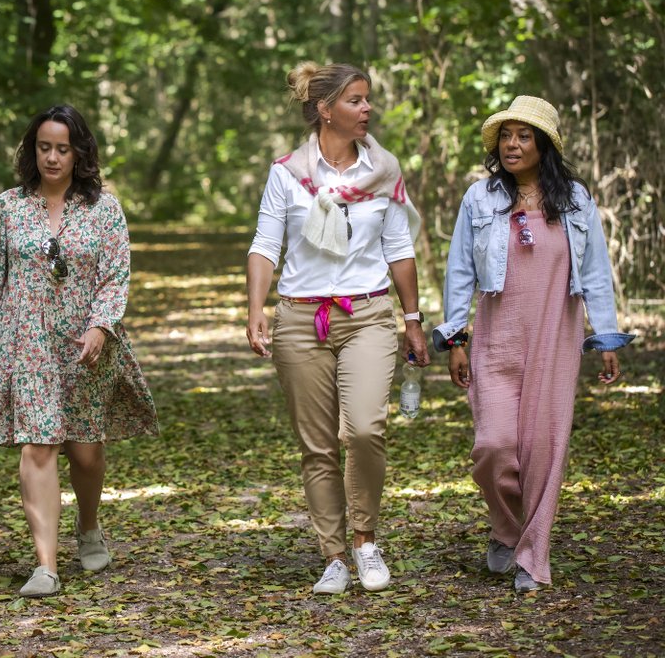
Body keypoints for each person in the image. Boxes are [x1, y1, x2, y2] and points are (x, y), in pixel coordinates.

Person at [434, 95, 633, 593]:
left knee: (544, 449)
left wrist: (604, 334)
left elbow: (595, 273)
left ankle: (532, 557)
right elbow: (460, 271)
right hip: (496, 340)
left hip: (554, 339)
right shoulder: (480, 199)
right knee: (492, 447)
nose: (513, 144)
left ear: (544, 146)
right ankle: (506, 529)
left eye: (524, 136)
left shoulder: (576, 200)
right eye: (506, 135)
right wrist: (455, 336)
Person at [245, 61, 430, 595]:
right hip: (302, 318)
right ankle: (333, 556)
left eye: (367, 99)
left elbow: (399, 247)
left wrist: (412, 318)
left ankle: (365, 541)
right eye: (356, 100)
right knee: (319, 445)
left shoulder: (385, 172)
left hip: (368, 314)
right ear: (326, 110)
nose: (367, 108)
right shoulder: (287, 173)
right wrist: (256, 308)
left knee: (366, 430)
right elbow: (265, 244)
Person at [0, 103, 158, 598]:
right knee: (38, 444)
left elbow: (117, 275)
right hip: (24, 338)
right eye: (44, 147)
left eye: (62, 148)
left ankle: (89, 526)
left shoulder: (104, 208)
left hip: (84, 343)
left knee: (86, 451)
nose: (52, 157)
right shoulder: (8, 206)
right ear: (33, 151)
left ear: (79, 152)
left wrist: (101, 326)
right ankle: (46, 566)